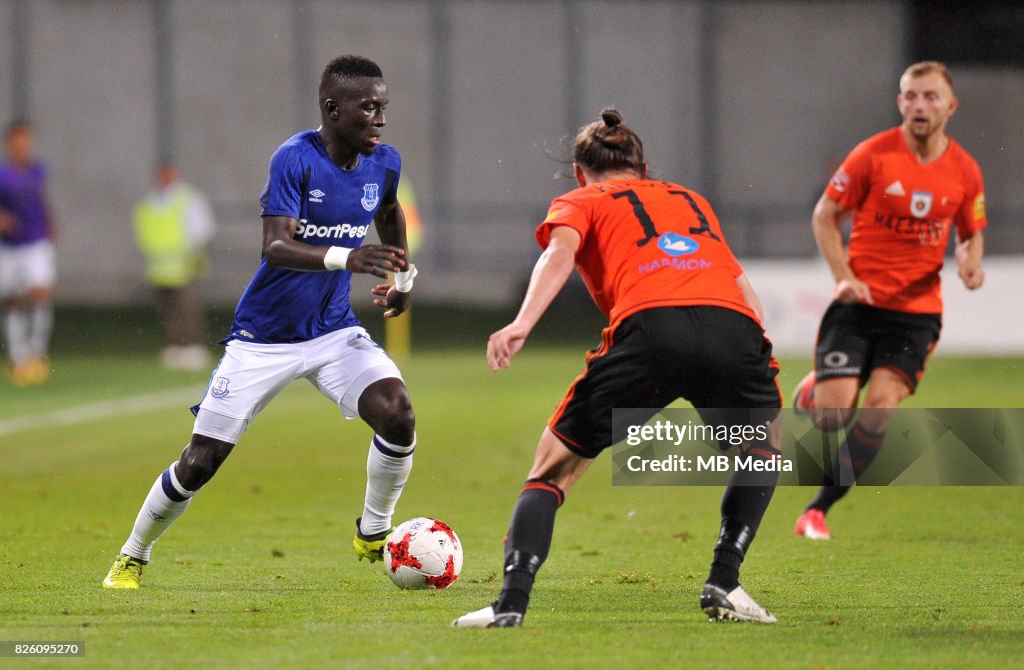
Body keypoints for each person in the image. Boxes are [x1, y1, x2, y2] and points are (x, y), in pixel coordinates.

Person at [453, 109, 784, 628]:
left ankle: (509, 605)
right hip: (732, 326)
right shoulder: (691, 199)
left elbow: (559, 255)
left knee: (553, 468)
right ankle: (725, 580)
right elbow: (738, 284)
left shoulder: (581, 199)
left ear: (582, 172)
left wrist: (521, 323)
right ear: (644, 168)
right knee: (761, 449)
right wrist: (750, 355)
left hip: (651, 330)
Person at [103, 54, 419, 588]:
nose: (381, 120)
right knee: (201, 461)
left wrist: (403, 279)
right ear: (333, 108)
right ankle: (132, 555)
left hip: (334, 330)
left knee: (398, 414)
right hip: (263, 339)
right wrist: (349, 258)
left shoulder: (385, 162)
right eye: (369, 108)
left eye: (384, 108)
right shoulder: (294, 158)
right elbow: (274, 246)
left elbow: (389, 211)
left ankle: (374, 530)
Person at [792, 61, 986, 540]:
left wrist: (969, 262)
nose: (920, 105)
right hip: (858, 306)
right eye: (911, 96)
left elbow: (971, 231)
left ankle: (817, 510)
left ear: (950, 106)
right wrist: (842, 277)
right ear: (900, 102)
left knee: (880, 409)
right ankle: (818, 388)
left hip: (915, 316)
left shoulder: (964, 170)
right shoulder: (872, 156)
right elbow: (824, 216)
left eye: (930, 97)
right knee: (832, 417)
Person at [133, 159, 216, 370]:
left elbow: (203, 230)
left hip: (184, 266)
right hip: (159, 268)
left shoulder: (187, 199)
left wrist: (196, 258)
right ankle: (175, 346)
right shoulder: (149, 202)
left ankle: (194, 346)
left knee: (187, 308)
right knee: (168, 311)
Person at [0, 120, 57, 386]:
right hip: (10, 246)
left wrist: (50, 221)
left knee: (39, 292)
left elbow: (40, 198)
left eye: (25, 141)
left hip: (36, 241)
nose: (22, 146)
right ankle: (18, 356)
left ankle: (36, 353)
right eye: (17, 142)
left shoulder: (37, 171)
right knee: (11, 299)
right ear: (10, 144)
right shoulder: (3, 174)